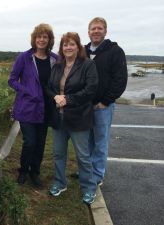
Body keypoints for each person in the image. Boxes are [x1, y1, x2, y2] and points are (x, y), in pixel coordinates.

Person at [45, 32, 98, 204]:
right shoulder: (57, 66)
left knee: (83, 156)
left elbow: (90, 90)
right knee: (58, 154)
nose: (68, 47)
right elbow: (49, 87)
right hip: (58, 118)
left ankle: (89, 187)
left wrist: (67, 99)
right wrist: (55, 97)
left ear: (78, 47)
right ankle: (60, 183)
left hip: (79, 118)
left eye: (72, 44)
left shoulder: (87, 65)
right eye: (65, 45)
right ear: (61, 48)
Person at [8, 23, 58, 187]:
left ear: (49, 40)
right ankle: (23, 170)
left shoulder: (55, 59)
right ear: (34, 39)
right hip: (27, 106)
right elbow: (12, 80)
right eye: (39, 36)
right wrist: (27, 90)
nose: (42, 40)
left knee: (41, 142)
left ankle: (34, 172)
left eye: (45, 37)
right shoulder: (24, 57)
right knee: (30, 142)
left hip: (46, 108)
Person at [85, 17, 128, 186]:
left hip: (103, 107)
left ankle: (97, 175)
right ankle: (86, 170)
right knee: (86, 141)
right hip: (85, 106)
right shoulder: (83, 51)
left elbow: (120, 80)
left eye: (99, 28)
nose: (96, 31)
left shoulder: (115, 51)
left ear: (105, 31)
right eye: (93, 28)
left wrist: (105, 101)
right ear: (88, 32)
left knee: (100, 142)